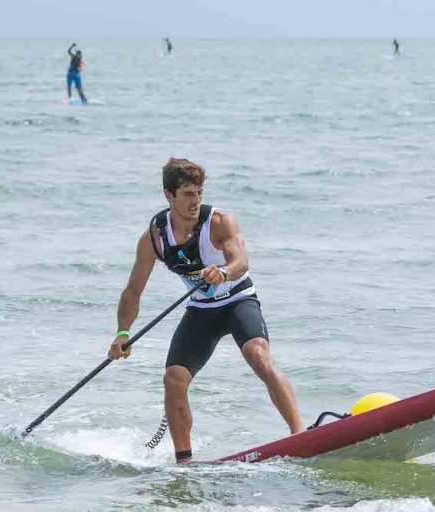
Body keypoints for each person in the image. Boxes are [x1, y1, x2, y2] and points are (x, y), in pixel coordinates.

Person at [108, 158, 304, 463]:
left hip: (238, 301)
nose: (196, 201)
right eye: (187, 194)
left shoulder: (219, 221)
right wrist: (122, 333)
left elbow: (241, 261)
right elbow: (133, 292)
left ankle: (300, 436)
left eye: (199, 192)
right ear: (168, 195)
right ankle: (184, 463)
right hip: (201, 310)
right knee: (173, 378)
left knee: (259, 355)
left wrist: (225, 272)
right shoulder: (154, 238)